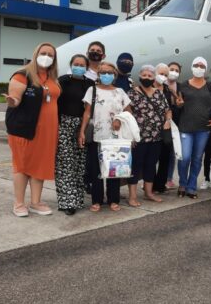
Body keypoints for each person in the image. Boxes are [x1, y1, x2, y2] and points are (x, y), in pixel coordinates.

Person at [3, 42, 61, 217]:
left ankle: (36, 202)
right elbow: (15, 97)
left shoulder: (52, 78)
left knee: (40, 165)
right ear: (35, 54)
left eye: (51, 55)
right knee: (22, 166)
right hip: (26, 129)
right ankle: (19, 203)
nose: (47, 57)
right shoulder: (23, 75)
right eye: (43, 53)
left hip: (48, 132)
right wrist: (13, 101)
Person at [78, 61, 132, 212]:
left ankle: (113, 200)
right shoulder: (92, 90)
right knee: (95, 170)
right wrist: (82, 131)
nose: (106, 75)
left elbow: (129, 112)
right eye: (103, 72)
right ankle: (97, 200)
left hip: (115, 137)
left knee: (113, 170)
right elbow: (87, 112)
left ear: (114, 75)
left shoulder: (120, 92)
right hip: (96, 136)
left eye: (109, 72)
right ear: (98, 74)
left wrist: (119, 119)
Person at [55, 54, 94, 215]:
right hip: (63, 123)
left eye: (82, 64)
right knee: (65, 163)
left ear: (86, 67)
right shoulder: (63, 80)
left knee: (80, 164)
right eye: (76, 64)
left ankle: (77, 199)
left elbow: (90, 108)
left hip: (82, 126)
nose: (79, 66)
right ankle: (66, 201)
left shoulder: (90, 84)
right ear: (71, 65)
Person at [127, 65, 171, 206]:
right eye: (144, 75)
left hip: (156, 137)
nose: (146, 78)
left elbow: (167, 110)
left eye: (149, 76)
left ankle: (148, 193)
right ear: (140, 77)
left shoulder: (159, 93)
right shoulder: (132, 93)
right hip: (138, 137)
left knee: (151, 165)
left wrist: (168, 121)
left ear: (153, 77)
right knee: (135, 165)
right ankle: (132, 196)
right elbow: (127, 113)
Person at [175, 57, 211, 198]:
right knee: (185, 157)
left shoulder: (210, 86)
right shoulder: (184, 85)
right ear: (191, 67)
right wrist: (179, 105)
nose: (199, 68)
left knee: (197, 158)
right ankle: (182, 182)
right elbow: (178, 104)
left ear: (205, 69)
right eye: (196, 65)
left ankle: (192, 186)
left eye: (201, 66)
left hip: (203, 129)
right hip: (186, 127)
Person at [151, 62, 176, 194]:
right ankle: (150, 184)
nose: (163, 77)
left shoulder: (167, 89)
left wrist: (168, 119)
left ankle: (160, 185)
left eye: (166, 75)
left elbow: (172, 107)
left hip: (165, 127)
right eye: (161, 74)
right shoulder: (147, 86)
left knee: (164, 157)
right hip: (150, 128)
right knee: (151, 158)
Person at [163, 61, 183, 189]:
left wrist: (179, 104)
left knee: (171, 153)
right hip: (161, 123)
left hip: (175, 123)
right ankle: (153, 179)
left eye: (176, 70)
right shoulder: (159, 84)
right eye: (171, 69)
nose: (173, 72)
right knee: (158, 153)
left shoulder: (181, 87)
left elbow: (182, 107)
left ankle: (169, 178)